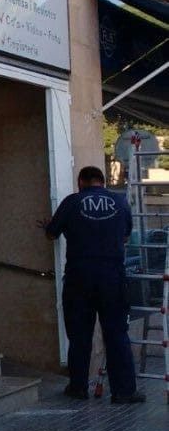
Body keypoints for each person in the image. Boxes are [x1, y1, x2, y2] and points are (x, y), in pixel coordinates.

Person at [43, 166, 145, 403]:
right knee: (117, 334)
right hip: (112, 276)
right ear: (102, 181)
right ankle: (124, 391)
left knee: (79, 335)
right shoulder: (120, 203)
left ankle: (78, 387)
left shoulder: (72, 202)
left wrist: (50, 227)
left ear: (81, 181)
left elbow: (52, 234)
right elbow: (125, 236)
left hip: (79, 277)